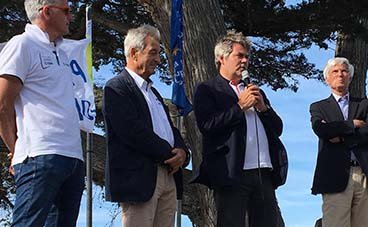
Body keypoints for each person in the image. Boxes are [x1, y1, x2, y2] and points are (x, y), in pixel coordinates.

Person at [0, 0, 84, 226]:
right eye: (66, 10)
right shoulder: (22, 44)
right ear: (46, 12)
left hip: (73, 158)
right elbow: (2, 103)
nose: (71, 16)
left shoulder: (63, 53)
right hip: (40, 155)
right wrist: (16, 148)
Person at [191, 30, 288, 227]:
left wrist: (263, 108)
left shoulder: (255, 91)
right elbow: (208, 125)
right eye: (239, 55)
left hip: (263, 172)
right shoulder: (208, 89)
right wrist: (239, 107)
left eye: (247, 57)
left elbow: (277, 129)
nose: (244, 61)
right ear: (221, 58)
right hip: (232, 171)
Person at [103, 25, 189, 227]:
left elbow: (170, 129)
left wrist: (183, 153)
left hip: (168, 176)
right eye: (153, 53)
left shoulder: (154, 93)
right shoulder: (116, 88)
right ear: (133, 53)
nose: (159, 60)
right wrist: (170, 154)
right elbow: (132, 131)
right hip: (139, 179)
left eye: (159, 54)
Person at [309, 57, 368, 227]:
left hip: (365, 174)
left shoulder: (366, 105)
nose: (340, 75)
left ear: (350, 77)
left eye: (344, 71)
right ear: (327, 78)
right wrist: (352, 124)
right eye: (335, 71)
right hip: (334, 175)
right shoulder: (318, 107)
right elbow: (321, 130)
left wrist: (339, 135)